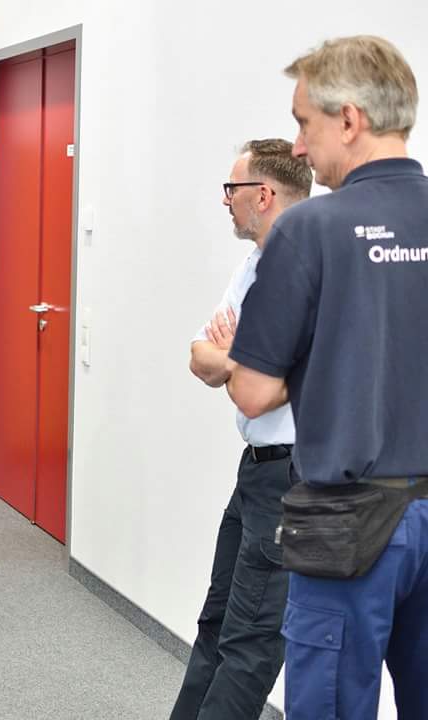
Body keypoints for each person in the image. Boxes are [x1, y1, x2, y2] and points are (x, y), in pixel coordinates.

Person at [229, 35, 428, 720]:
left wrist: (331, 351)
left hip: (348, 524)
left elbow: (253, 391)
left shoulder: (309, 229)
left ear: (349, 119)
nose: (299, 146)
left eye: (303, 123)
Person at [171, 139, 311, 720]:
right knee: (217, 620)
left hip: (293, 478)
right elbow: (201, 357)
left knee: (251, 641)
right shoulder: (254, 265)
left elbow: (260, 390)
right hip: (254, 474)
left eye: (232, 188)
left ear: (264, 194)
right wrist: (240, 359)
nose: (225, 200)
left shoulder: (313, 268)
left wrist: (237, 361)